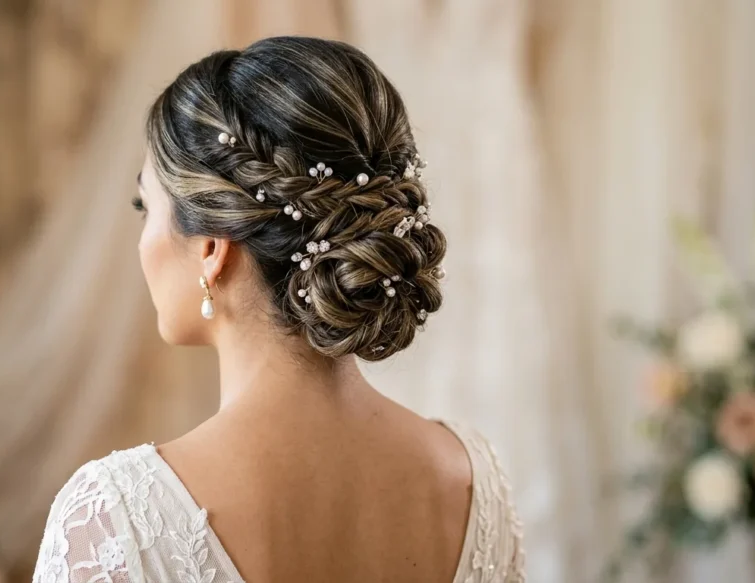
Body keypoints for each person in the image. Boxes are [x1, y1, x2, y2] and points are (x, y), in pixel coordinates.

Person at [32, 36, 524, 583]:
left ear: (211, 247)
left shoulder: (114, 520)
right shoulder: (473, 480)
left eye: (144, 207)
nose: (142, 240)